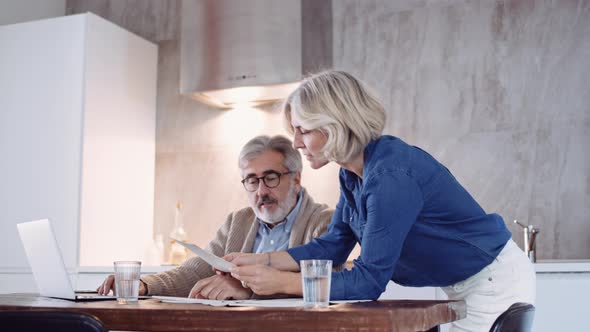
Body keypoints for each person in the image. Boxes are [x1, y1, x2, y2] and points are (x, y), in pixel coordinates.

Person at [226, 71, 535, 331]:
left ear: (335, 125)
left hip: (492, 280)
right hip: (462, 281)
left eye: (302, 130)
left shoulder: (390, 177)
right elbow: (332, 246)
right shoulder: (353, 174)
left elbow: (368, 282)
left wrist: (280, 282)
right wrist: (258, 261)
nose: (295, 143)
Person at [97, 135, 334, 300]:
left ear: (296, 178)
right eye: (252, 180)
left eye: (270, 177)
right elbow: (195, 271)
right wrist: (144, 285)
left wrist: (244, 289)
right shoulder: (238, 221)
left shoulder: (323, 222)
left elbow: (323, 286)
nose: (261, 191)